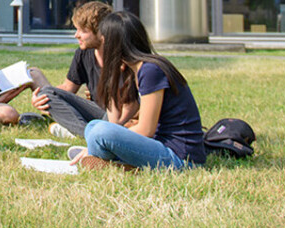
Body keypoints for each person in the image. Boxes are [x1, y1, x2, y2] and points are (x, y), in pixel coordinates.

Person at [68, 10, 206, 171]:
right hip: (160, 146)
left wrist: (102, 140)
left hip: (181, 158)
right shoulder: (135, 70)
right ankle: (115, 163)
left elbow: (146, 129)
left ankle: (105, 159)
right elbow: (120, 117)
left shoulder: (151, 70)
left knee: (99, 131)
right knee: (93, 127)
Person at [31, 1, 136, 140]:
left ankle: (85, 133)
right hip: (97, 112)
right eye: (77, 29)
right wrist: (42, 99)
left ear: (102, 33)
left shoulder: (125, 58)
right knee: (47, 92)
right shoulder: (83, 54)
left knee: (111, 119)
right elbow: (68, 87)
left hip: (121, 116)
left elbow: (135, 104)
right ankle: (88, 133)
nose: (76, 35)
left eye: (83, 31)